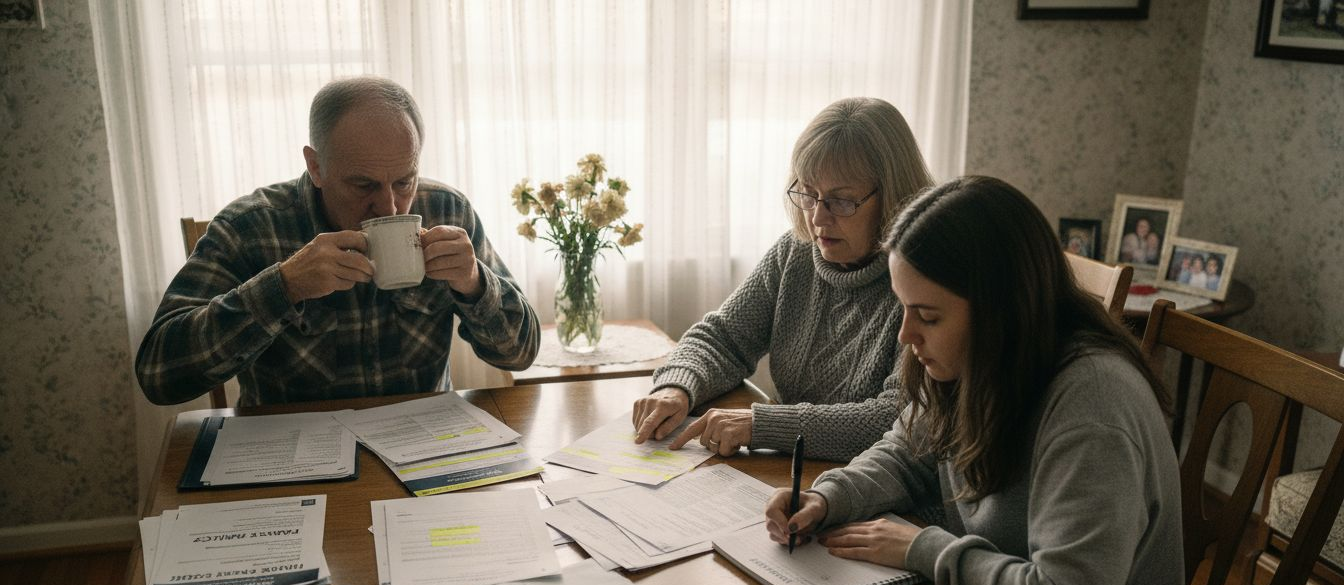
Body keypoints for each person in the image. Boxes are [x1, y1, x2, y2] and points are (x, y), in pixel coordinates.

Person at [764, 176, 1189, 585]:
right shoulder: (982, 357)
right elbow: (907, 449)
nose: (905, 337)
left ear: (999, 310)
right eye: (903, 308)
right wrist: (829, 496)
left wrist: (922, 549)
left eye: (929, 315)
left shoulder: (1093, 409)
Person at [136, 76, 539, 406]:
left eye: (404, 181)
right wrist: (283, 286)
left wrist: (474, 282)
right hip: (290, 456)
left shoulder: (448, 212)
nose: (390, 207)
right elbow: (159, 376)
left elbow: (519, 355)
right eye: (363, 184)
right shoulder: (251, 228)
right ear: (316, 166)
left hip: (423, 453)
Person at [631, 97, 934, 462]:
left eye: (841, 202)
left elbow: (895, 419)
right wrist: (677, 386)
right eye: (808, 193)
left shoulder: (923, 277)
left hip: (880, 494)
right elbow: (724, 338)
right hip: (794, 472)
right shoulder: (797, 251)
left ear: (893, 196)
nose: (817, 219)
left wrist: (761, 425)